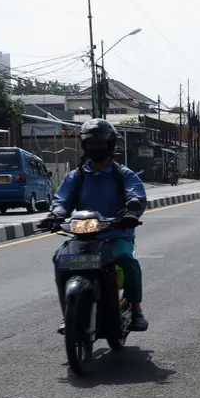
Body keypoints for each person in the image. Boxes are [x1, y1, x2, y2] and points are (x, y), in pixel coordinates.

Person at [46, 118, 149, 332]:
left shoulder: (122, 174)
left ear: (110, 145)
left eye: (101, 142)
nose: (97, 147)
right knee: (59, 258)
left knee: (125, 259)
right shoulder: (77, 177)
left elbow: (135, 194)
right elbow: (61, 200)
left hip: (116, 233)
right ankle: (68, 313)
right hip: (84, 235)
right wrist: (55, 215)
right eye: (92, 143)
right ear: (85, 145)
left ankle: (137, 310)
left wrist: (132, 210)